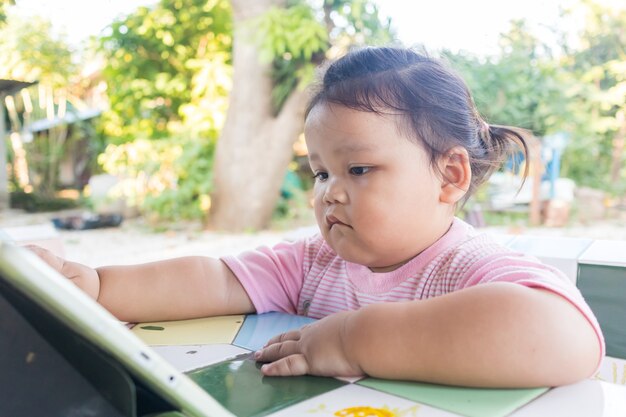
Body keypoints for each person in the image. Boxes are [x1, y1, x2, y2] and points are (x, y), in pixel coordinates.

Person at [30, 46, 604, 388]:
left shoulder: (467, 266)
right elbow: (216, 279)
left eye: (358, 170)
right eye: (320, 173)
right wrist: (99, 286)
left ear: (449, 177)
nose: (329, 193)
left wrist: (356, 338)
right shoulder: (313, 260)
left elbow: (566, 337)